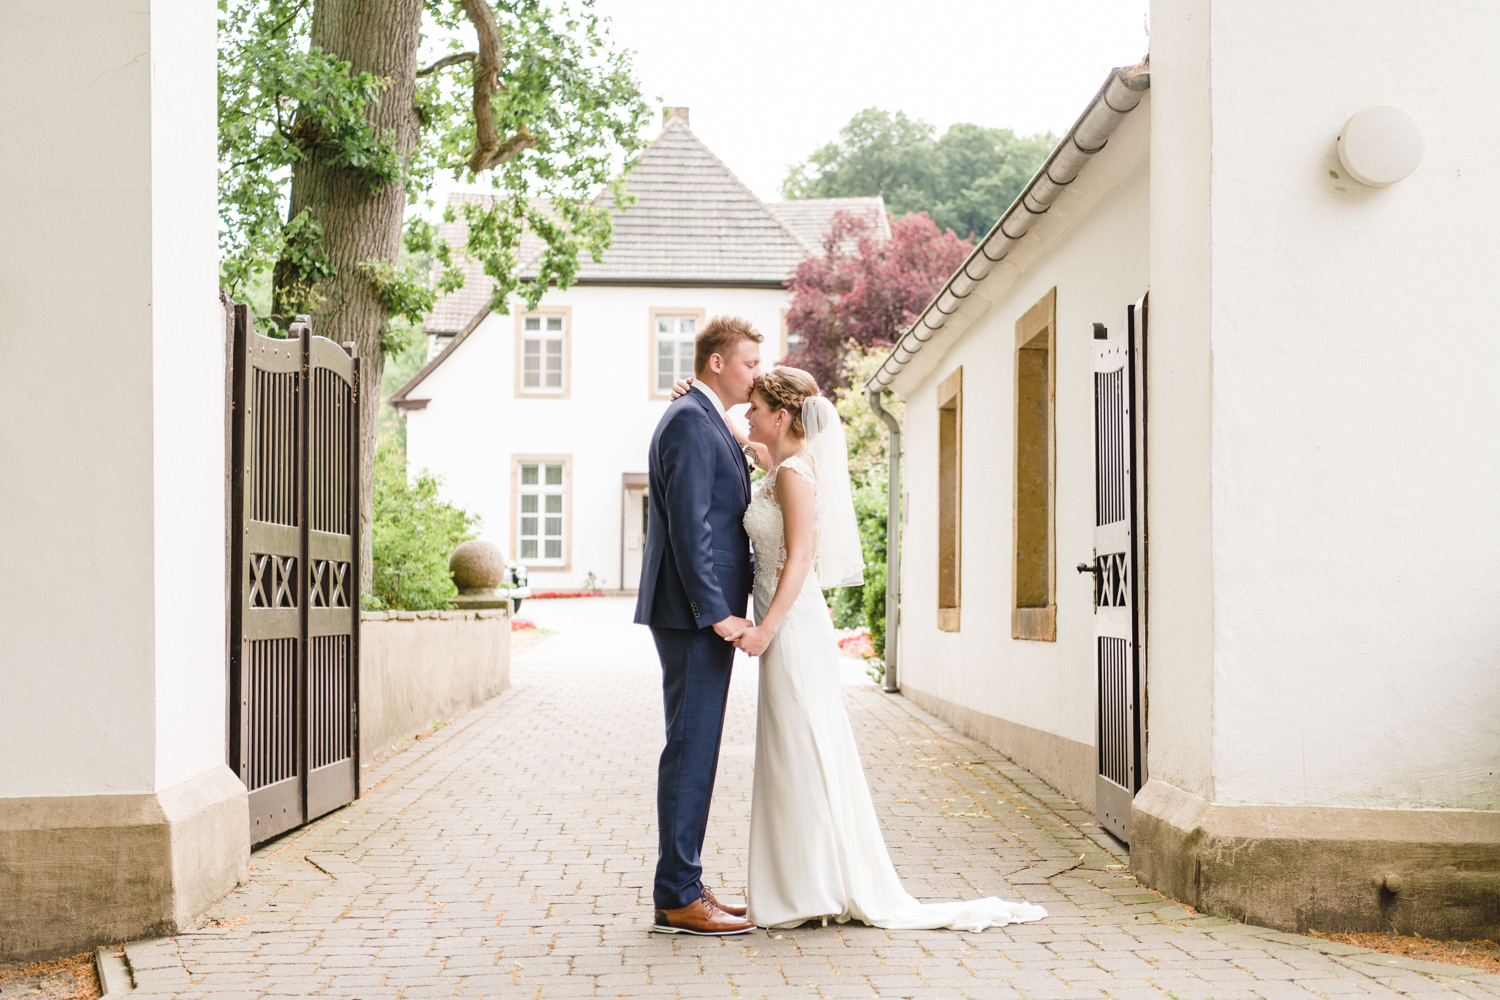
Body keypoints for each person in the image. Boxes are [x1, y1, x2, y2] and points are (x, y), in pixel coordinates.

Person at [671, 367, 1048, 931]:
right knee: (792, 749)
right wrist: (696, 398)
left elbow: (799, 559)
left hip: (793, 630)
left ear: (781, 416)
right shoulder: (778, 465)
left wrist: (766, 629)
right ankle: (802, 885)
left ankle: (813, 889)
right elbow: (733, 437)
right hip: (783, 629)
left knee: (804, 746)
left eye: (754, 408)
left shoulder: (796, 473)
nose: (745, 415)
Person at [634, 316, 762, 936]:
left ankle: (683, 881)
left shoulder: (705, 417)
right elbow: (691, 527)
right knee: (691, 747)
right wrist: (715, 613)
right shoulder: (690, 420)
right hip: (692, 616)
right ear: (717, 363)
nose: (757, 373)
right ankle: (678, 895)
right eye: (749, 363)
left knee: (697, 746)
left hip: (694, 614)